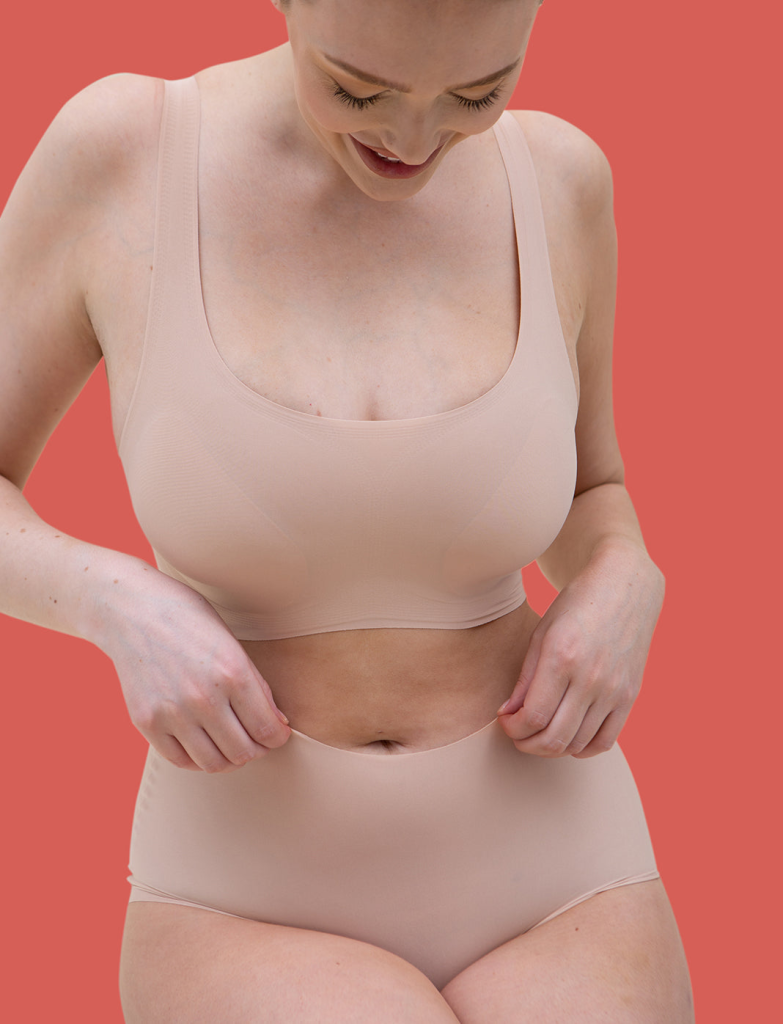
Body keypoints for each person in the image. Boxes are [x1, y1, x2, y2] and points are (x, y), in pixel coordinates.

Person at [0, 0, 695, 1019]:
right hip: (246, 892)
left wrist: (625, 571)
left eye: (476, 95)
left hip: (561, 866)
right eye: (357, 89)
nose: (412, 140)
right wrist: (112, 600)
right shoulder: (125, 153)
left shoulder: (561, 179)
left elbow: (593, 491)